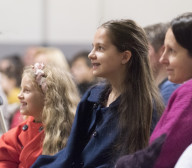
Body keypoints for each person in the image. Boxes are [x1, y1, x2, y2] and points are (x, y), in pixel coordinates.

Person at [32, 19, 165, 168]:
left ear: (125, 56)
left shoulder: (145, 108)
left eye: (100, 48)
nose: (91, 55)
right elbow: (70, 153)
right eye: (92, 47)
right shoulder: (92, 96)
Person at [115, 12, 192, 168]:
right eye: (164, 50)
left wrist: (121, 164)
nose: (163, 59)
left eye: (172, 51)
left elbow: (162, 153)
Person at [0, 63, 80, 168]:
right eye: (21, 89)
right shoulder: (14, 137)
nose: (19, 95)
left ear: (48, 97)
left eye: (27, 90)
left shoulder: (75, 133)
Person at [144, 23, 180, 105]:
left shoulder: (170, 90)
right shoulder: (160, 90)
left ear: (163, 51)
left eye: (144, 50)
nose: (139, 56)